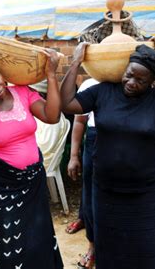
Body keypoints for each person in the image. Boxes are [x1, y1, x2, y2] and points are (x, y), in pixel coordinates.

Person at [60, 37, 155, 269]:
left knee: (147, 254)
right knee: (111, 252)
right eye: (129, 74)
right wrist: (76, 61)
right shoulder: (103, 92)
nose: (131, 82)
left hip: (147, 196)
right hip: (107, 194)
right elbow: (66, 103)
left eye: (141, 80)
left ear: (152, 81)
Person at [0, 49, 64, 269]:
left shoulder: (23, 93)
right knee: (8, 249)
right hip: (1, 190)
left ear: (1, 73)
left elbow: (52, 116)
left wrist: (51, 75)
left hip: (34, 183)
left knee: (38, 241)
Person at [66, 77, 99, 268]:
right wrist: (73, 156)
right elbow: (79, 121)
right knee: (90, 194)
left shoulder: (130, 80)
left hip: (123, 140)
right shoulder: (90, 84)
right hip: (95, 140)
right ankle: (93, 246)